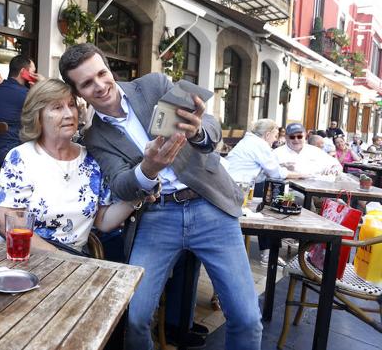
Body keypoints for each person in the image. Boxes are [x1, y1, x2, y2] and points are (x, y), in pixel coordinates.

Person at [59, 43, 262, 350]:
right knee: (135, 317)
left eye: (102, 73)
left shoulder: (152, 85)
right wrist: (149, 169)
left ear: (108, 68)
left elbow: (211, 125)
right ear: (77, 92)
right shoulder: (95, 137)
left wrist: (197, 132)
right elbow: (121, 185)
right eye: (87, 83)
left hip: (209, 205)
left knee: (247, 319)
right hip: (157, 216)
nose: (100, 85)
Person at [0, 79, 137, 252]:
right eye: (57, 107)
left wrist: (138, 194)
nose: (69, 114)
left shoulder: (92, 160)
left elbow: (102, 221)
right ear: (38, 116)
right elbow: (3, 220)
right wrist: (59, 257)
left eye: (71, 105)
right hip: (21, 255)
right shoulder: (22, 157)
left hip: (72, 261)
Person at [226, 119, 305, 267]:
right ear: (268, 134)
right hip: (235, 191)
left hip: (233, 188)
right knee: (274, 206)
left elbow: (263, 169)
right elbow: (276, 173)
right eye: (275, 136)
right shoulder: (260, 144)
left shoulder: (250, 141)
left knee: (270, 201)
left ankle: (269, 252)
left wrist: (282, 167)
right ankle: (269, 254)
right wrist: (300, 174)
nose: (275, 140)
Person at [0, 55, 42, 164]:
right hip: (7, 152)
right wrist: (42, 85)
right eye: (33, 73)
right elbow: (45, 112)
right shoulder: (23, 94)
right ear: (24, 72)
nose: (34, 76)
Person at [274, 123, 342, 176]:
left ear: (305, 136)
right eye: (292, 137)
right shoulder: (276, 153)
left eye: (299, 136)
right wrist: (281, 168)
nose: (296, 139)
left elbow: (337, 165)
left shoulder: (315, 151)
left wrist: (335, 169)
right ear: (286, 137)